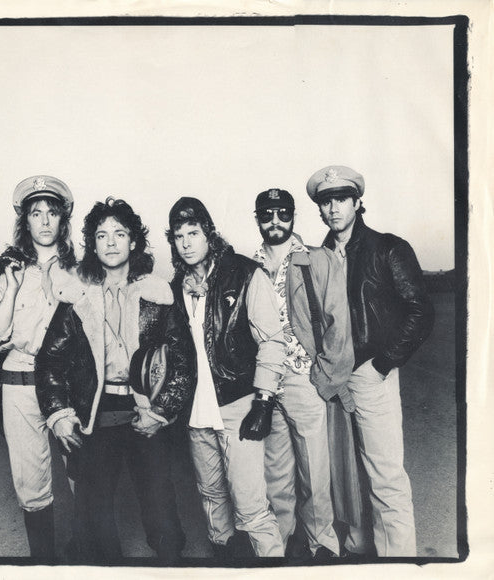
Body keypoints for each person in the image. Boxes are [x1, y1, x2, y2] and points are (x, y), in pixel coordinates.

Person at [34, 197, 195, 565]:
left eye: (119, 234)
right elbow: (49, 360)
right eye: (102, 235)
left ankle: (172, 567)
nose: (110, 242)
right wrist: (59, 414)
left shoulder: (157, 293)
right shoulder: (77, 295)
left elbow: (182, 360)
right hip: (96, 411)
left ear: (133, 242)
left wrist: (160, 412)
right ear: (92, 244)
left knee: (161, 506)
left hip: (145, 410)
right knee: (93, 514)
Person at [307, 165, 435, 557]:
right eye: (326, 201)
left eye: (341, 199)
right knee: (345, 473)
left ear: (357, 202)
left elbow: (420, 311)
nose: (333, 208)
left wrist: (382, 365)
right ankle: (358, 551)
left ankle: (398, 560)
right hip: (333, 378)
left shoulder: (387, 248)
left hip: (369, 372)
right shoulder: (318, 257)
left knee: (385, 475)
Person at [166, 197, 285, 559]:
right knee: (213, 502)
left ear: (209, 234)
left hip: (238, 405)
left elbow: (272, 341)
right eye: (178, 236)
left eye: (193, 233)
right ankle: (225, 563)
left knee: (251, 509)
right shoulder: (177, 286)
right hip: (197, 413)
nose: (186, 243)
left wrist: (263, 401)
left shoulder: (245, 274)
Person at [252, 188, 358, 561]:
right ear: (257, 219)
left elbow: (338, 323)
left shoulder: (317, 259)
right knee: (275, 475)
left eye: (283, 213)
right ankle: (277, 549)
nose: (275, 221)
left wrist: (322, 378)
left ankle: (321, 546)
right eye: (267, 214)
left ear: (293, 215)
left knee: (315, 472)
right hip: (265, 383)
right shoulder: (249, 267)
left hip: (303, 379)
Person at [0, 175, 79, 561]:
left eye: (52, 212)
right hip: (19, 382)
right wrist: (12, 286)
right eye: (36, 213)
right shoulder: (10, 272)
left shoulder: (80, 270)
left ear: (63, 220)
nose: (45, 221)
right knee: (30, 483)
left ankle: (86, 553)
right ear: (26, 222)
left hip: (67, 383)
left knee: (83, 471)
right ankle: (43, 562)